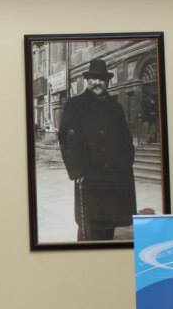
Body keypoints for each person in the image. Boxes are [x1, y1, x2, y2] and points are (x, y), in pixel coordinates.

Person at [58, 57, 136, 241]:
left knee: (109, 223)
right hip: (89, 176)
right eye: (93, 78)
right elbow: (66, 139)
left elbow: (125, 139)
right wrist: (76, 171)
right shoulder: (75, 105)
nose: (97, 82)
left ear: (107, 82)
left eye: (101, 79)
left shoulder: (115, 107)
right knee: (88, 225)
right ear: (87, 80)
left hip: (113, 177)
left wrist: (126, 162)